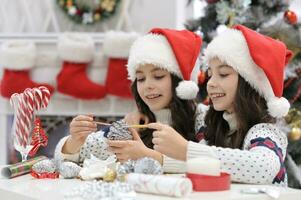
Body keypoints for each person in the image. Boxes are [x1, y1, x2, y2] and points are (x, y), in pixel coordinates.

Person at [145, 24, 293, 185]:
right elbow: (190, 113)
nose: (210, 84)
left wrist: (187, 150)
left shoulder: (265, 131)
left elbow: (262, 168)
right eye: (210, 74)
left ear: (250, 83)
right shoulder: (215, 125)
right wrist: (144, 113)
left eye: (223, 74)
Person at [54, 28, 204, 172]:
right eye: (140, 78)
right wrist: (74, 142)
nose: (147, 86)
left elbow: (214, 163)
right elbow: (69, 157)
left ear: (180, 81)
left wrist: (149, 156)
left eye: (158, 76)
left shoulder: (202, 117)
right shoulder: (133, 123)